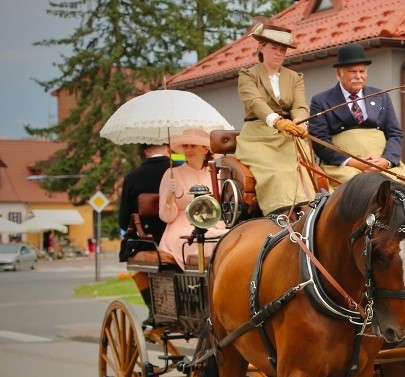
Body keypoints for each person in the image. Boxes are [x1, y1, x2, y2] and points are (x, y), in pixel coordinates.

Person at [309, 43, 405, 193]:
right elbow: (320, 141)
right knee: (361, 192)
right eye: (352, 72)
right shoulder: (322, 101)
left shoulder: (381, 97)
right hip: (343, 167)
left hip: (382, 164)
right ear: (339, 74)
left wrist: (386, 161)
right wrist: (354, 162)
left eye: (362, 71)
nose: (358, 76)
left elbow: (395, 133)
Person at [234, 21, 312, 218]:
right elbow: (254, 101)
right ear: (261, 47)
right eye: (274, 48)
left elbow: (300, 106)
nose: (279, 53)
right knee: (277, 172)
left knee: (300, 170)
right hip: (257, 137)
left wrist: (300, 123)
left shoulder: (295, 77)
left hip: (288, 135)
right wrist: (276, 121)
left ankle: (308, 214)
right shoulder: (248, 75)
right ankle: (281, 215)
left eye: (283, 50)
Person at [158, 128, 227, 271]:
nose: (188, 150)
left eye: (193, 145)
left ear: (206, 148)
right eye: (185, 146)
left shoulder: (215, 173)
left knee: (228, 236)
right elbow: (166, 217)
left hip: (213, 224)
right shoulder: (172, 174)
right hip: (181, 227)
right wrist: (169, 195)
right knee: (210, 238)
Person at [117, 143, 171, 324]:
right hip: (183, 238)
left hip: (148, 241)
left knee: (137, 267)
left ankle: (154, 308)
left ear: (146, 152)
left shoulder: (132, 178)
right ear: (168, 149)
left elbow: (124, 220)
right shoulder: (177, 171)